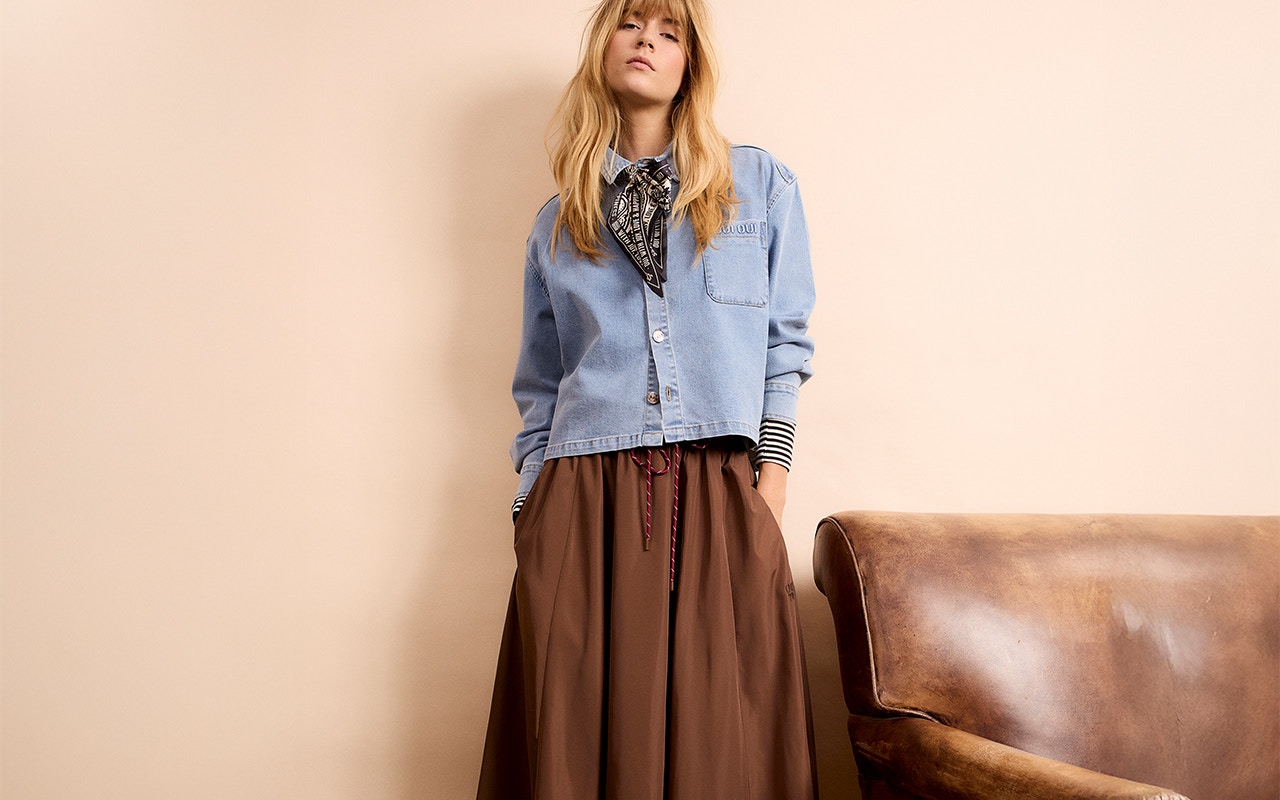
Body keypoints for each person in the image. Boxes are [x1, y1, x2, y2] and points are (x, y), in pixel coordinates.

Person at [477, 0, 817, 797]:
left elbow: (785, 346)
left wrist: (769, 481)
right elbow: (540, 383)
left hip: (719, 489)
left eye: (671, 33)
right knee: (583, 739)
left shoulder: (757, 186)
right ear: (604, 46)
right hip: (583, 496)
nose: (648, 42)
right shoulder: (558, 224)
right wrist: (532, 505)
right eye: (633, 24)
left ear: (691, 63)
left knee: (720, 742)